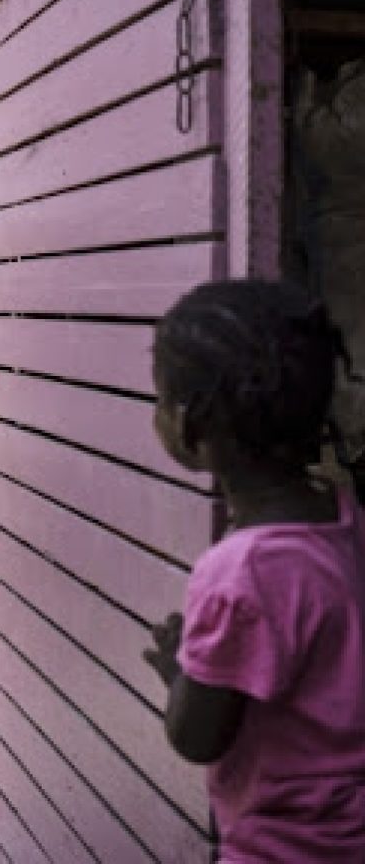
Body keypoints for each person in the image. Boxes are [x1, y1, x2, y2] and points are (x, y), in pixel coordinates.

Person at [143, 280, 365, 862]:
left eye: (159, 400)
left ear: (188, 426)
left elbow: (197, 736)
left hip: (285, 846)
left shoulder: (240, 573)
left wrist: (179, 671)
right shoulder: (343, 520)